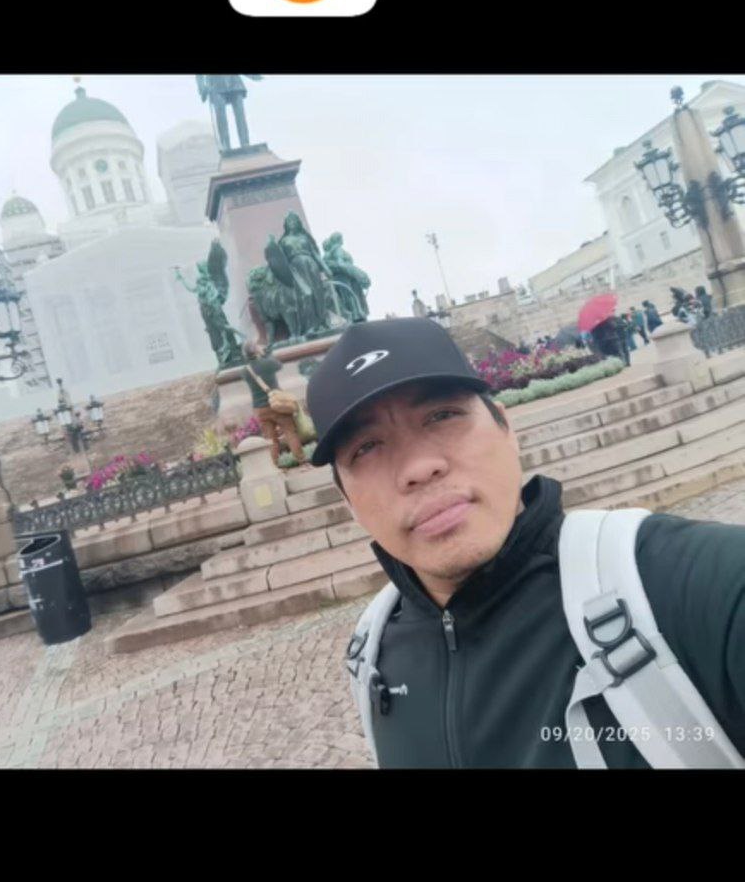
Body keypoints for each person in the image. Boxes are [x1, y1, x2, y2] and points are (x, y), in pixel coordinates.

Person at [305, 317, 745, 768]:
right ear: (348, 502)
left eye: (442, 415)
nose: (418, 467)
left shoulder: (677, 585)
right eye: (367, 448)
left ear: (507, 428)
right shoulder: (372, 653)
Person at [241, 341, 306, 468]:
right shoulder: (268, 363)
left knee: (270, 439)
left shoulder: (245, 371)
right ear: (256, 350)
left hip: (260, 409)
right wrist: (266, 354)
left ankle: (275, 467)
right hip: (277, 404)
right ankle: (302, 462)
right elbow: (279, 365)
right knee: (290, 432)